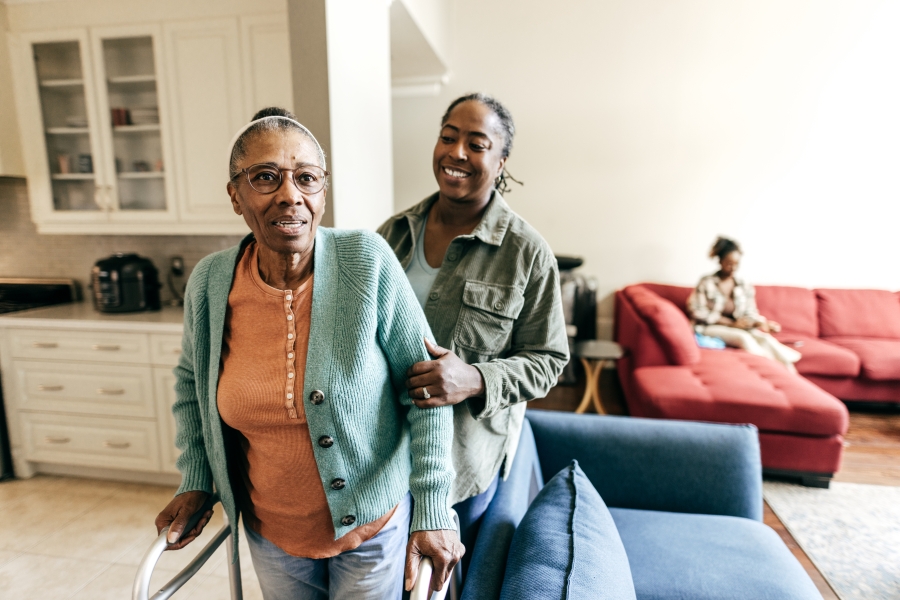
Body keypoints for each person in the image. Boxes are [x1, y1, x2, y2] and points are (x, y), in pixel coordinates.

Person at [154, 107, 463, 600]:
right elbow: (192, 385)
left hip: (371, 526)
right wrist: (197, 478)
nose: (289, 194)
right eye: (265, 178)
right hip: (270, 532)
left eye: (306, 178)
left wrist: (432, 509)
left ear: (322, 191)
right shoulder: (210, 282)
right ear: (235, 196)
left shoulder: (367, 260)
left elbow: (425, 387)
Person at [377, 93, 569, 566]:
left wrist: (475, 379)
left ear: (502, 161)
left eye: (477, 144)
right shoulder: (391, 236)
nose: (457, 153)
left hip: (462, 462)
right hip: (381, 456)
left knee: (444, 583)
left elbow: (548, 360)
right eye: (448, 137)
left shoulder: (527, 252)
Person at [687, 237, 801, 371]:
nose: (733, 268)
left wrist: (762, 324)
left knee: (764, 338)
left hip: (738, 327)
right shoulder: (706, 282)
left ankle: (790, 373)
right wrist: (730, 324)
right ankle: (768, 368)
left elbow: (750, 312)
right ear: (720, 261)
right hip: (709, 327)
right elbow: (696, 310)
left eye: (736, 263)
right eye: (729, 263)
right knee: (743, 338)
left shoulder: (744, 286)